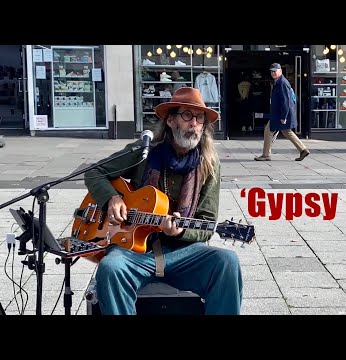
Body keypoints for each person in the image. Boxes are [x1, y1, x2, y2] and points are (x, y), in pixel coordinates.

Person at [84, 87, 243, 315]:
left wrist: (179, 232)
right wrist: (112, 198)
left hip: (183, 253)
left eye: (200, 118)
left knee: (227, 262)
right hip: (135, 251)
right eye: (187, 115)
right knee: (110, 267)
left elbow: (206, 223)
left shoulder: (209, 164)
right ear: (170, 120)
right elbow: (95, 172)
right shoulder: (144, 153)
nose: (195, 124)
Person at [254, 63, 310, 161]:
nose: (273, 73)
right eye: (272, 71)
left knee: (268, 131)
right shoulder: (279, 82)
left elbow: (286, 101)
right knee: (286, 132)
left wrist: (283, 117)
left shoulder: (282, 83)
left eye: (275, 71)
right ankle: (303, 149)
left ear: (280, 71)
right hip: (280, 114)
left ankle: (266, 155)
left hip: (280, 114)